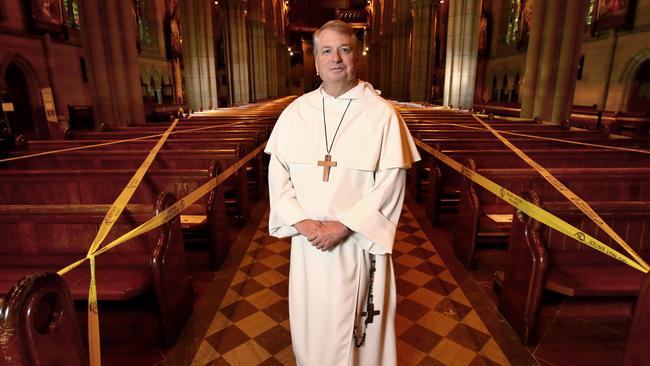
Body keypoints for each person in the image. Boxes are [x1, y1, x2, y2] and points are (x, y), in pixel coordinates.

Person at [265, 20, 420, 366]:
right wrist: (304, 224)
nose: (336, 58)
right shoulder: (295, 113)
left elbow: (391, 183)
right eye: (326, 51)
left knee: (361, 338)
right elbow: (279, 175)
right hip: (309, 249)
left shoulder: (383, 115)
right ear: (316, 63)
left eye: (344, 49)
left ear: (357, 57)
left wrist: (345, 225)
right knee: (313, 328)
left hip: (359, 245)